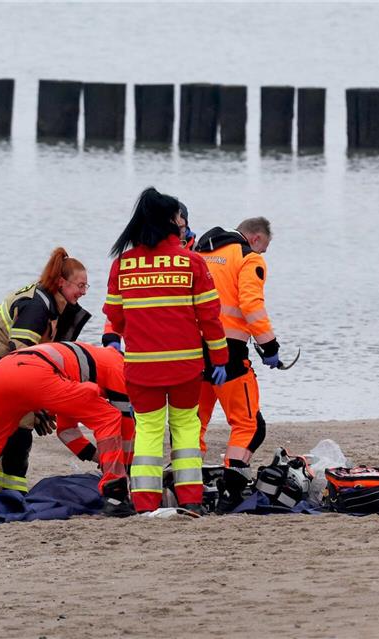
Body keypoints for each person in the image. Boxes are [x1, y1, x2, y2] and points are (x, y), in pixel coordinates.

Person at [103, 187, 229, 514]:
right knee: (186, 428)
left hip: (141, 369)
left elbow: (115, 318)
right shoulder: (192, 262)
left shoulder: (123, 265)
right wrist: (220, 359)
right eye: (177, 216)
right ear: (170, 221)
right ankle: (190, 501)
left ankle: (146, 505)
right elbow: (210, 319)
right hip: (186, 367)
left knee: (147, 431)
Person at [0, 248, 94, 496]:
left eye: (86, 286)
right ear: (61, 282)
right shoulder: (35, 308)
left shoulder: (57, 306)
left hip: (13, 373)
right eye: (80, 285)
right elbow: (22, 363)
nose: (83, 292)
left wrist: (41, 405)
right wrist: (39, 405)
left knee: (19, 436)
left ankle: (11, 495)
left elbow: (45, 361)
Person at [0, 341, 135, 516]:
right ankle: (115, 494)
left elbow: (67, 431)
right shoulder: (120, 367)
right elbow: (125, 429)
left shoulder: (85, 367)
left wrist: (99, 457)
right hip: (36, 372)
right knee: (109, 417)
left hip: (2, 371)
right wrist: (125, 470)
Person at [194, 217, 280, 512]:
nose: (262, 255)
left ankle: (187, 485)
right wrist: (269, 345)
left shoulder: (199, 250)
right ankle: (231, 492)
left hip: (192, 350)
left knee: (193, 424)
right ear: (255, 239)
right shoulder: (247, 257)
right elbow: (251, 303)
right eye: (264, 248)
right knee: (250, 425)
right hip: (229, 352)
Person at [103, 200, 194, 352]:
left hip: (187, 346)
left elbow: (208, 310)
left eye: (181, 227)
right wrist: (112, 337)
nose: (177, 232)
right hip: (146, 346)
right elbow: (118, 306)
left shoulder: (198, 258)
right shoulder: (136, 261)